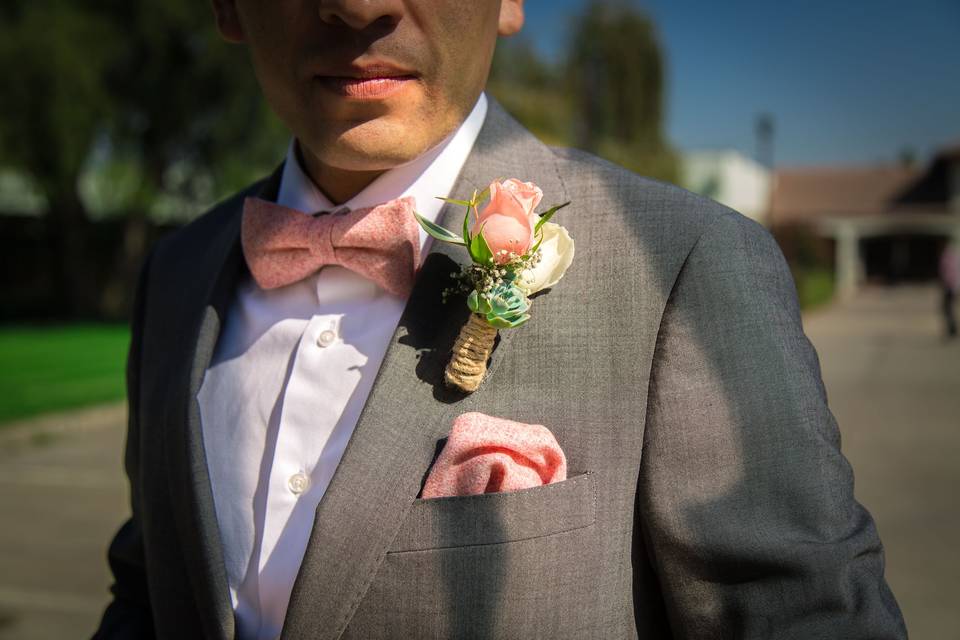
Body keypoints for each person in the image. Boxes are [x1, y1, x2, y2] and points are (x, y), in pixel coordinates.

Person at [94, 1, 907, 638]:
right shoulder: (175, 278)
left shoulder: (688, 264)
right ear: (227, 6)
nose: (356, 3)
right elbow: (148, 592)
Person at [940, 240, 959, 339]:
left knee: (946, 308)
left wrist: (949, 284)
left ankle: (952, 329)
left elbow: (950, 272)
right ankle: (952, 329)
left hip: (950, 286)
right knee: (947, 308)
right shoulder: (953, 254)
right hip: (952, 285)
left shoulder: (949, 255)